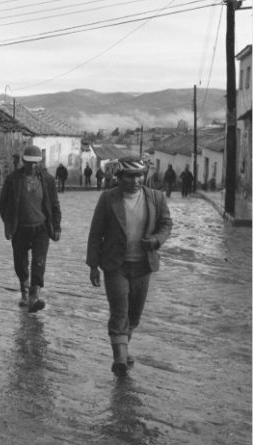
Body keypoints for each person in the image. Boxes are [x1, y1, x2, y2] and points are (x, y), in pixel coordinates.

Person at [86, 156, 172, 377]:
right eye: (130, 176)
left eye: (140, 175)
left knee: (133, 316)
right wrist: (93, 265)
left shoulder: (156, 197)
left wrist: (155, 241)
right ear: (120, 177)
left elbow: (166, 224)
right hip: (116, 265)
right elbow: (96, 232)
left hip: (143, 265)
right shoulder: (108, 199)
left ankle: (123, 349)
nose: (136, 181)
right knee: (119, 312)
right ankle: (120, 360)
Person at [0, 145, 61, 313]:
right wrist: (8, 223)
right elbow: (3, 204)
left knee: (39, 262)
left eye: (36, 163)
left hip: (41, 228)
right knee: (21, 263)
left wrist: (56, 226)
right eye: (30, 163)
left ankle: (34, 296)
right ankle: (24, 293)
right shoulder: (13, 180)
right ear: (24, 162)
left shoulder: (47, 180)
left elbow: (54, 204)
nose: (33, 167)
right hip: (20, 228)